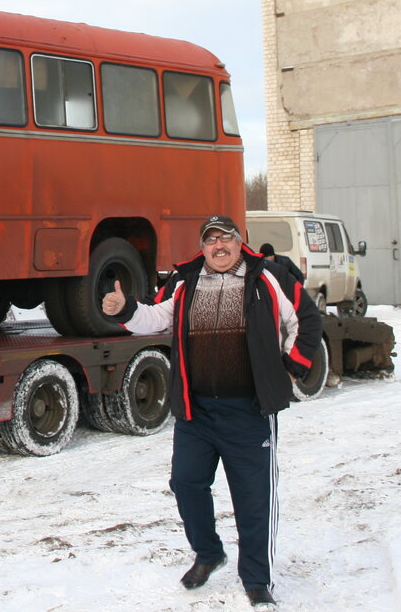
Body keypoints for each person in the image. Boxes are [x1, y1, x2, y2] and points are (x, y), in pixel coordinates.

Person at [101, 214, 321, 610]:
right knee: (186, 484)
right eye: (211, 240)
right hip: (196, 410)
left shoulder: (268, 276)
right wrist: (124, 308)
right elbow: (154, 316)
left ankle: (256, 580)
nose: (219, 246)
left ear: (240, 242)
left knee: (253, 499)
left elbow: (305, 320)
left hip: (249, 411)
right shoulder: (184, 280)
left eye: (226, 239)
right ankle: (208, 553)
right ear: (202, 246)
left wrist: (291, 368)